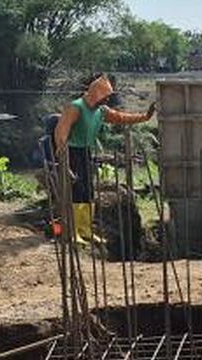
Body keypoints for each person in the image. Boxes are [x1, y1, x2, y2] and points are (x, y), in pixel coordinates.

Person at [53, 74, 157, 244]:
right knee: (76, 191)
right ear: (97, 94)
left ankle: (86, 229)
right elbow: (61, 132)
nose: (107, 99)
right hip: (72, 152)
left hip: (86, 151)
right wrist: (63, 157)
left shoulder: (101, 111)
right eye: (106, 96)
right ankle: (74, 231)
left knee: (88, 191)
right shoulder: (76, 107)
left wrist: (145, 117)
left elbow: (121, 118)